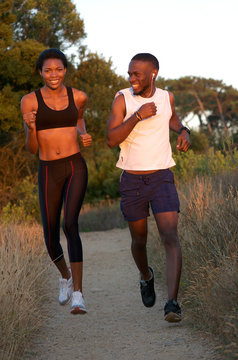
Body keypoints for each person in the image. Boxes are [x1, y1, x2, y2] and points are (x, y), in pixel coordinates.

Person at [107, 53, 190, 322]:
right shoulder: (123, 99)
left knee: (170, 236)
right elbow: (111, 139)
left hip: (161, 177)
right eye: (130, 73)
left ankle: (173, 304)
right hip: (132, 179)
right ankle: (146, 276)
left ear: (153, 73)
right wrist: (137, 117)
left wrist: (184, 130)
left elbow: (172, 118)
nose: (132, 78)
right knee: (139, 241)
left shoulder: (166, 97)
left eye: (137, 74)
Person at [21, 48, 92, 315]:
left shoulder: (79, 96)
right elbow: (31, 149)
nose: (54, 74)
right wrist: (30, 128)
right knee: (50, 235)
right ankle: (65, 277)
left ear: (65, 70)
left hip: (75, 165)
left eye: (59, 69)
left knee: (70, 224)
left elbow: (80, 120)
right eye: (48, 70)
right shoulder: (29, 101)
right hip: (48, 168)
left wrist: (83, 134)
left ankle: (79, 294)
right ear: (40, 72)